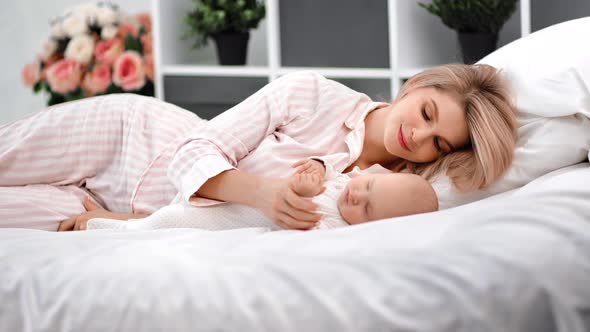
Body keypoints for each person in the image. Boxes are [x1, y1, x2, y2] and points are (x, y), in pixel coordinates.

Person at [0, 64, 517, 232]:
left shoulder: (391, 198)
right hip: (128, 136)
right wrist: (265, 194)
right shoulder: (309, 93)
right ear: (415, 86)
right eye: (427, 114)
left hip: (125, 212)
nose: (420, 137)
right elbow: (196, 147)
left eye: (439, 143)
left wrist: (121, 222)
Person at [85, 159, 439, 231]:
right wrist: (309, 177)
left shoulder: (335, 227)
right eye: (368, 187)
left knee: (167, 222)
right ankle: (108, 223)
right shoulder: (348, 179)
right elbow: (313, 178)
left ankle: (105, 228)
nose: (357, 196)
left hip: (231, 224)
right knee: (167, 215)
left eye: (369, 208)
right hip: (236, 203)